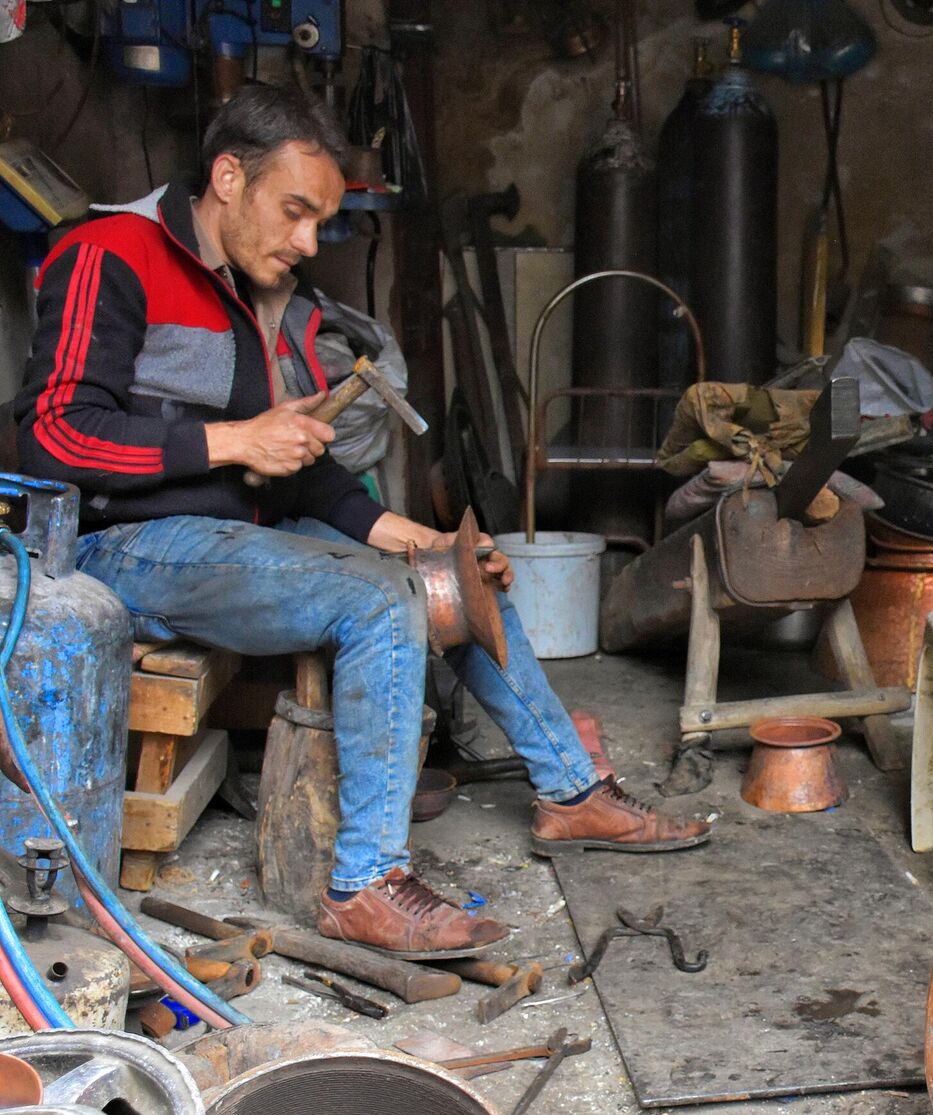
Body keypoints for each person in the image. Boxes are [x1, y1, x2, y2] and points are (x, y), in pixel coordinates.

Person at [10, 85, 710, 958]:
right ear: (228, 176)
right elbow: (51, 433)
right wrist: (236, 439)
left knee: (448, 575)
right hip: (123, 548)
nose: (307, 243)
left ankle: (570, 792)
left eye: (320, 223)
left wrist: (427, 541)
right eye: (294, 212)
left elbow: (302, 479)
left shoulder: (256, 294)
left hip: (235, 541)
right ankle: (364, 884)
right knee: (380, 602)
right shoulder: (110, 253)